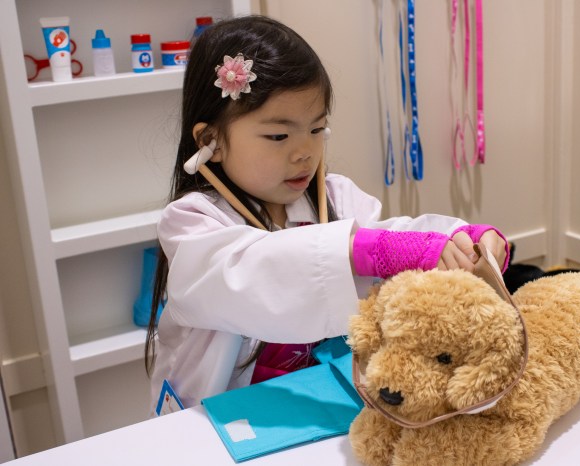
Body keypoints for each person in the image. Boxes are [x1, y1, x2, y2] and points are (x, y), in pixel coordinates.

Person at [145, 15, 509, 414]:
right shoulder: (192, 221)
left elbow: (392, 235)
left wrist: (463, 239)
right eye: (279, 136)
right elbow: (251, 272)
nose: (305, 152)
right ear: (210, 139)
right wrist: (364, 250)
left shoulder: (333, 196)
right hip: (224, 415)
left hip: (319, 398)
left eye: (316, 129)